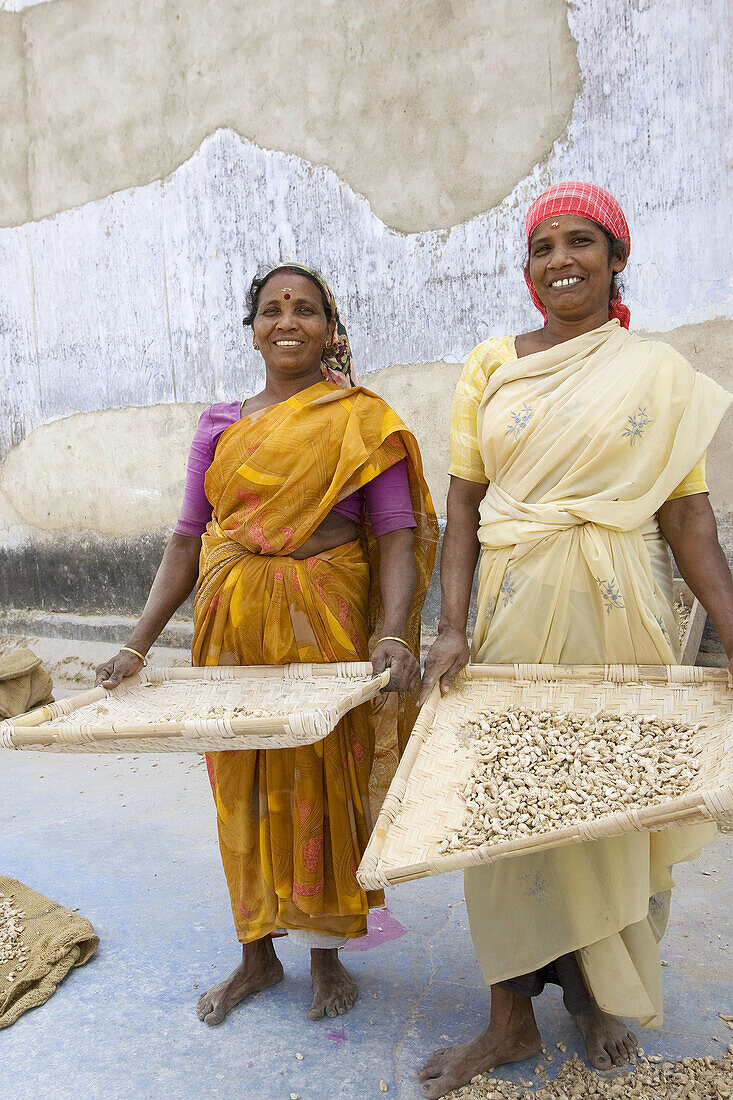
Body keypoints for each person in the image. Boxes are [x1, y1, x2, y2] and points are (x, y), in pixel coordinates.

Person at [417, 182, 733, 1098]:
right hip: (510, 615)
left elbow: (692, 527)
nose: (560, 259)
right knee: (509, 811)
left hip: (621, 615)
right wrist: (447, 628)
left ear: (614, 258)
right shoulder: (492, 366)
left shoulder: (656, 377)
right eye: (541, 246)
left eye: (580, 242)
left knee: (609, 803)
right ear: (527, 271)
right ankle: (507, 1019)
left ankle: (593, 994)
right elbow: (462, 512)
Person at [96, 263, 437, 1025]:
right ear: (251, 328)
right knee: (241, 782)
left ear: (330, 328)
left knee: (322, 774)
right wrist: (138, 646)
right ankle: (255, 955)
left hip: (327, 624)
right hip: (231, 630)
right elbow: (187, 540)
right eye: (272, 309)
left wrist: (389, 630)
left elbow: (395, 536)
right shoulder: (221, 424)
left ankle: (322, 955)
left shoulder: (359, 420)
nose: (288, 320)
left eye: (306, 309)